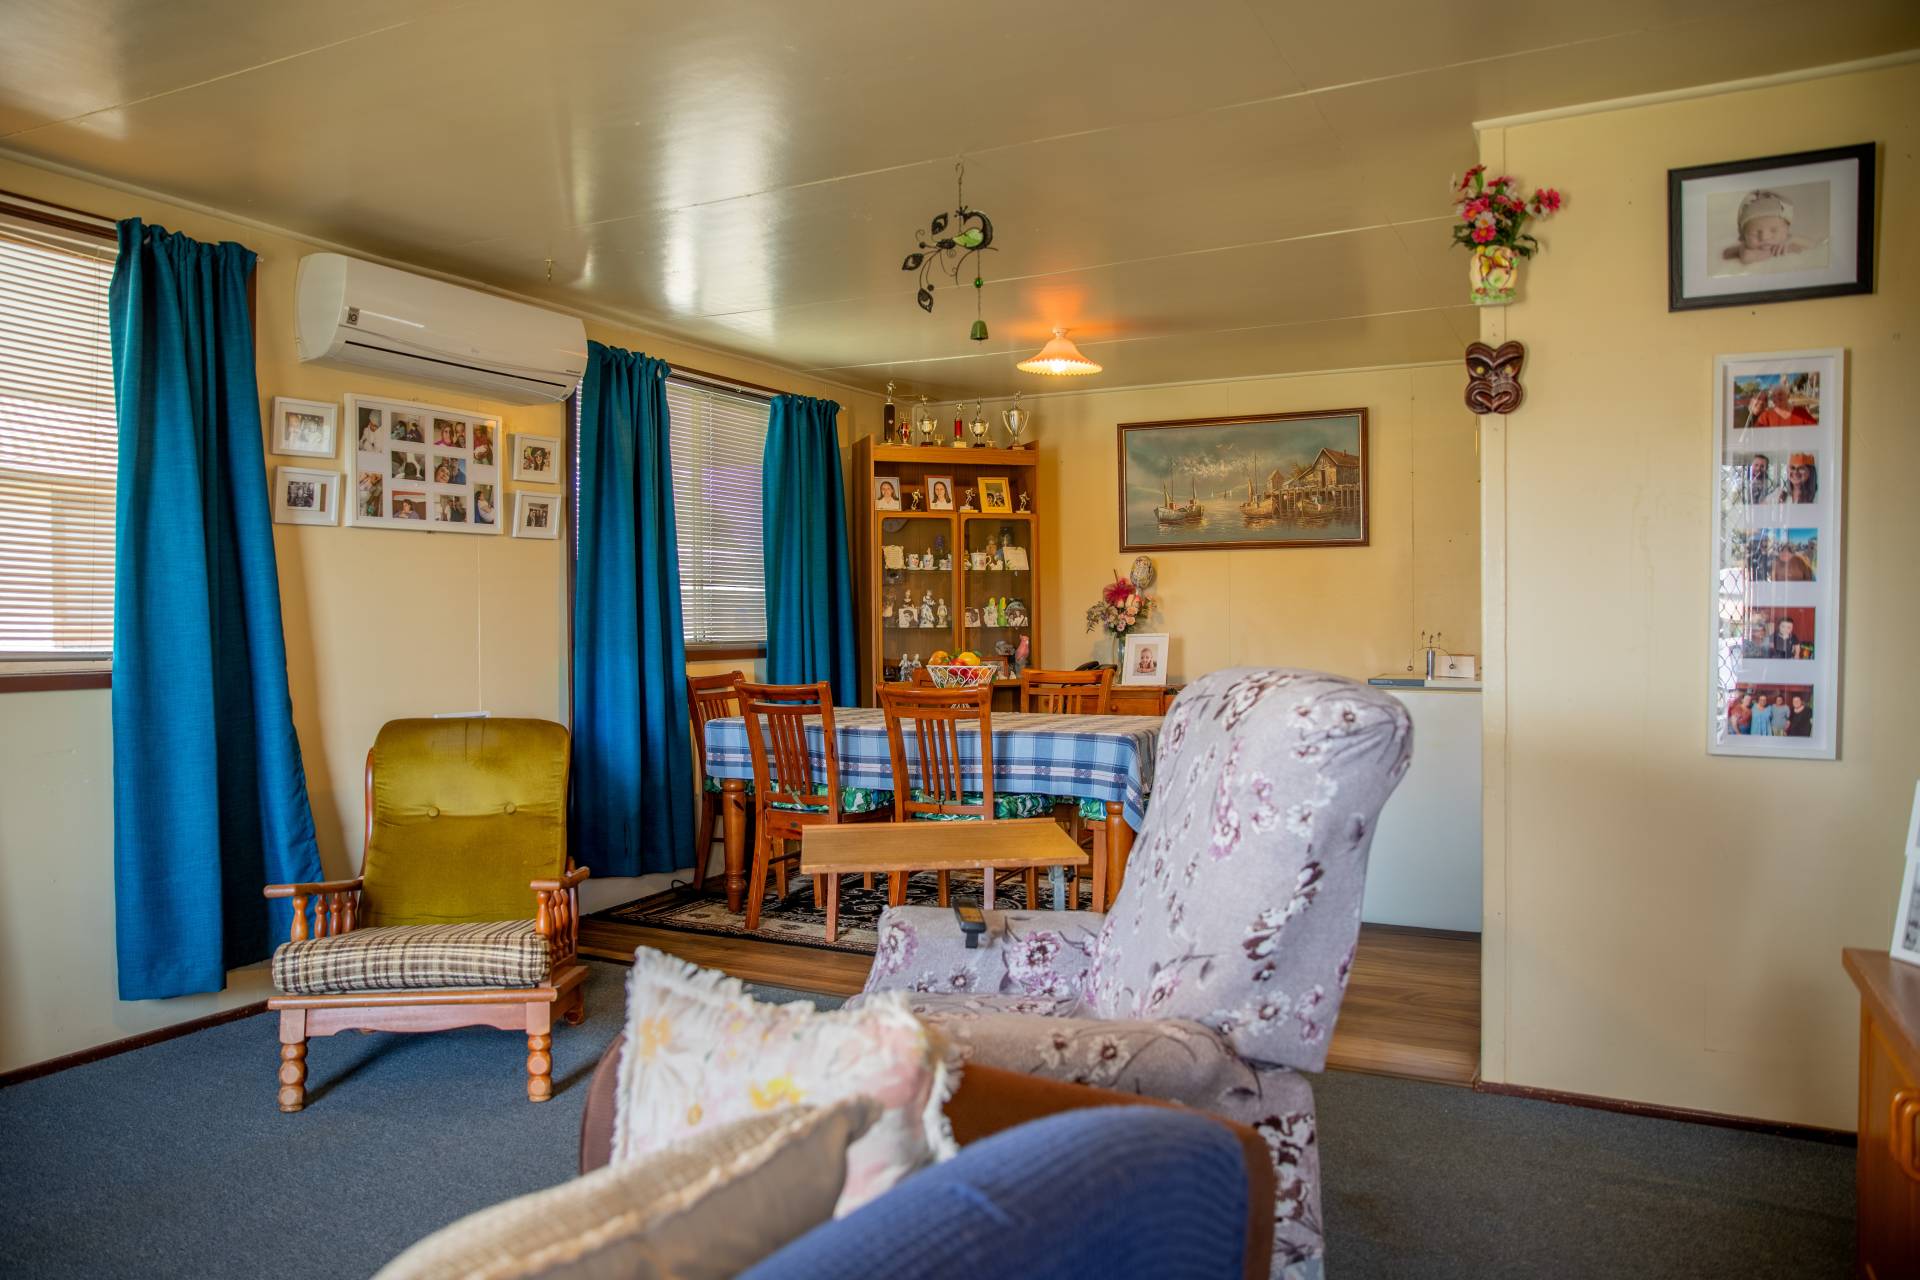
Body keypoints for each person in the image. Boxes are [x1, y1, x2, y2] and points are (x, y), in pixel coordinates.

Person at [1721, 190, 1817, 267]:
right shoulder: (1747, 248)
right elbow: (1739, 256)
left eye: (1773, 230)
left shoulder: (1788, 240)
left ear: (1787, 229)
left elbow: (1814, 245)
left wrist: (1793, 239)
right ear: (1744, 235)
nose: (1764, 237)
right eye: (1755, 233)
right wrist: (1741, 249)